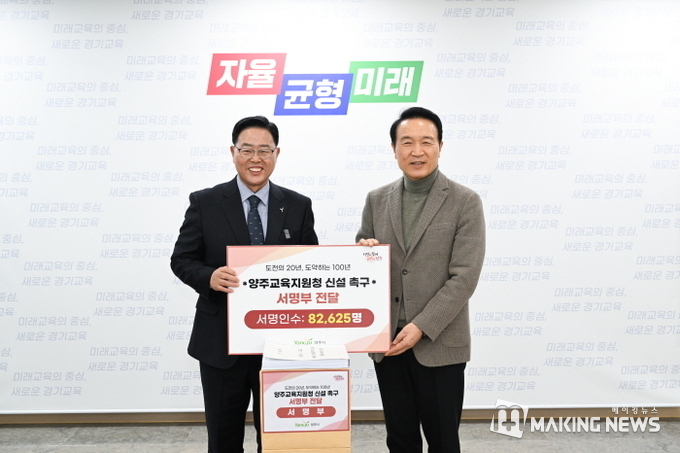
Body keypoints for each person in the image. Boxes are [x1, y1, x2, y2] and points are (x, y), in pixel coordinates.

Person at [171, 115, 319, 453]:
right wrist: (209, 277)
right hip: (221, 342)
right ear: (233, 152)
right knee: (223, 440)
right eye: (247, 150)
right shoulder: (205, 202)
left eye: (265, 150)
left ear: (277, 154)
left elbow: (311, 266)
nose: (256, 159)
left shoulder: (298, 205)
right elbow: (181, 259)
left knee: (279, 439)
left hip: (281, 343)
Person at [356, 107, 485, 453]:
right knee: (400, 440)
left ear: (440, 146)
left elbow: (464, 277)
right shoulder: (376, 199)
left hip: (439, 344)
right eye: (407, 142)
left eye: (426, 142)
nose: (417, 151)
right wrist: (363, 252)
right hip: (388, 343)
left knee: (443, 441)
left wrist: (421, 326)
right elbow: (363, 257)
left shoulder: (465, 201)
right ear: (394, 148)